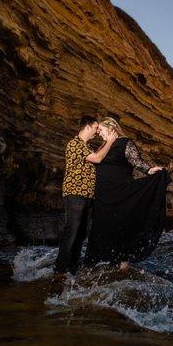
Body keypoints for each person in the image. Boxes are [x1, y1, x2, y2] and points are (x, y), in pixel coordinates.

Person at [84, 117, 171, 271]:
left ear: (111, 128)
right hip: (103, 196)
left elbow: (137, 161)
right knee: (100, 227)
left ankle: (122, 265)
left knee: (120, 225)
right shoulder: (103, 146)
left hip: (119, 192)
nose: (99, 134)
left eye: (102, 130)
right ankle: (95, 263)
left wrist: (150, 170)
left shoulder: (125, 143)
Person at [54, 115, 117, 276]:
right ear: (87, 127)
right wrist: (110, 140)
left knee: (81, 233)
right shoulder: (74, 144)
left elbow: (96, 156)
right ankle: (60, 269)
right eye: (96, 128)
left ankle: (72, 268)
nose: (97, 132)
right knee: (72, 231)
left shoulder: (86, 146)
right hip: (75, 194)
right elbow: (97, 158)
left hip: (87, 196)